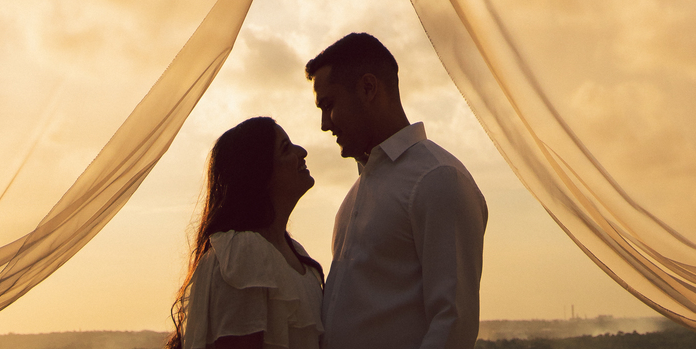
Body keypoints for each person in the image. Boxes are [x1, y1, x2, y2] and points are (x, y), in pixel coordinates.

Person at [306, 32, 487, 349]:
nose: (324, 123)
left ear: (368, 88)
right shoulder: (357, 193)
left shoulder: (437, 179)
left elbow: (453, 324)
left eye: (329, 105)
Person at [167, 115, 323, 349]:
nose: (301, 152)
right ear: (260, 173)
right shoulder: (242, 255)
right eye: (285, 148)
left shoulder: (298, 256)